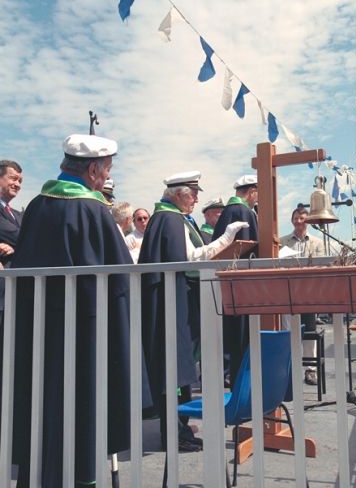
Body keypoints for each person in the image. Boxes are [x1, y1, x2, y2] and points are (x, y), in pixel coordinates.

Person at [11, 134, 150, 487]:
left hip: (38, 330)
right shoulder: (93, 210)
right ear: (92, 170)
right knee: (82, 410)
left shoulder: (37, 207)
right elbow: (119, 279)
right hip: (85, 333)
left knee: (41, 407)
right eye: (106, 171)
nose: (105, 178)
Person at [139, 171, 248, 452]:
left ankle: (180, 427)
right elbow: (190, 258)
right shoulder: (171, 219)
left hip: (173, 301)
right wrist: (226, 238)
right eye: (192, 193)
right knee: (173, 369)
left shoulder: (168, 218)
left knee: (177, 368)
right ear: (178, 194)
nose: (197, 198)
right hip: (174, 304)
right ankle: (173, 432)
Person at [212, 174, 259, 387]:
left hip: (228, 285)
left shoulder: (228, 212)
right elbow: (250, 250)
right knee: (241, 339)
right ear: (252, 191)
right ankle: (242, 385)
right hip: (242, 286)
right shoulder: (243, 211)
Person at [280, 205, 325, 385]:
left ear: (308, 221)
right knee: (288, 331)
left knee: (309, 331)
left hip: (309, 293)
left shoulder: (317, 242)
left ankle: (310, 370)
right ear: (292, 220)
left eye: (302, 218)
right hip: (288, 291)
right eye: (296, 218)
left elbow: (320, 266)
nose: (299, 222)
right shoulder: (282, 241)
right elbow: (278, 264)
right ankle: (287, 368)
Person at [0, 159, 23, 432]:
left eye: (19, 180)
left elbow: (28, 239)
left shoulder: (18, 215)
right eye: (12, 178)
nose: (16, 183)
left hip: (14, 297)